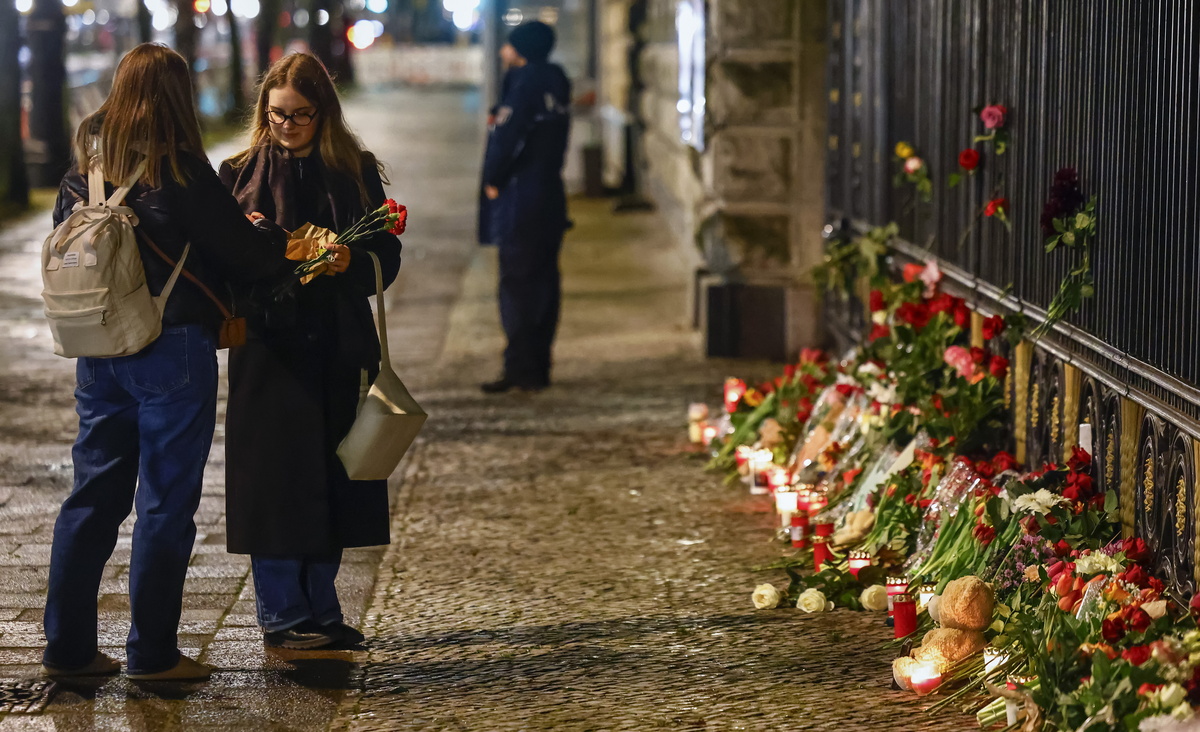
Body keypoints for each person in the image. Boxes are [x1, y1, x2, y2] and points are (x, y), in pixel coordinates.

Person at [42, 43, 290, 681]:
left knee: (92, 496)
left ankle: (67, 650)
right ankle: (151, 655)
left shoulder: (82, 169)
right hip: (171, 346)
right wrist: (266, 233)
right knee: (164, 504)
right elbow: (243, 254)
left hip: (97, 347)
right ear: (176, 96)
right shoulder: (178, 167)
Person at [218, 53, 402, 650]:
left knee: (332, 476)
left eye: (300, 115)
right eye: (277, 115)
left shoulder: (354, 172)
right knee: (274, 482)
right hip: (268, 350)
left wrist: (351, 260)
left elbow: (387, 259)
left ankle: (322, 608)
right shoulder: (238, 173)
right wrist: (279, 253)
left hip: (337, 343)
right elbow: (224, 267)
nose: (288, 126)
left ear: (325, 113)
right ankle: (282, 613)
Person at [478, 21, 572, 394]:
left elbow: (509, 137)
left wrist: (493, 181)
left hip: (521, 197)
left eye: (509, 46)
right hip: (549, 193)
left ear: (521, 50)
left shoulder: (525, 82)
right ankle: (539, 364)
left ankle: (521, 368)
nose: (503, 52)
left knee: (517, 284)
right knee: (545, 281)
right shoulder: (556, 79)